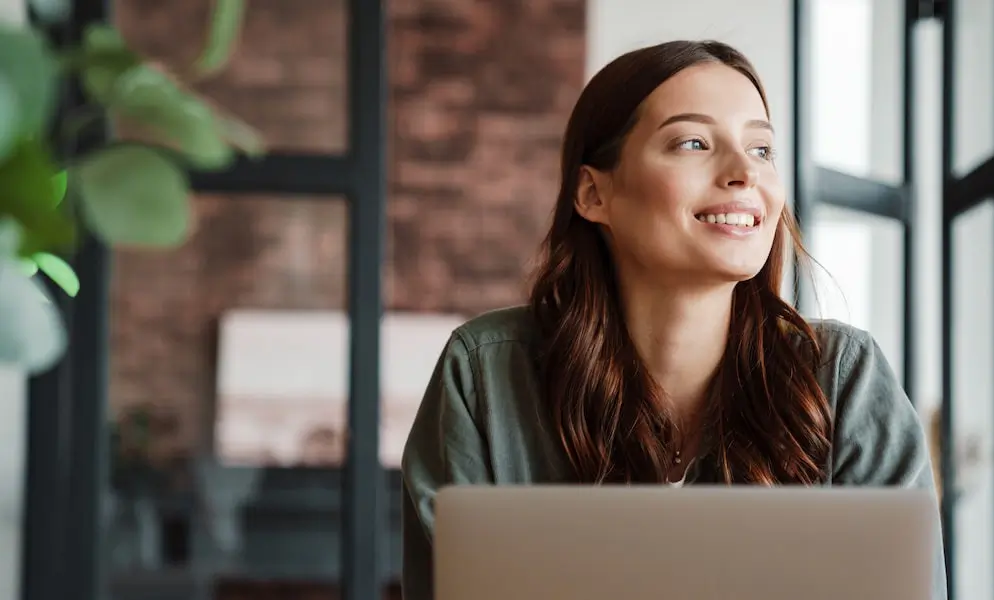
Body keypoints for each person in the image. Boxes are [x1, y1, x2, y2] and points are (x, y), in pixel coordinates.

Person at [399, 39, 947, 599]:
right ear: (593, 193)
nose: (743, 173)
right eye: (693, 142)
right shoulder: (483, 376)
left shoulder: (844, 380)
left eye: (761, 150)